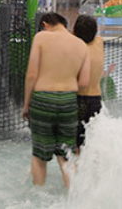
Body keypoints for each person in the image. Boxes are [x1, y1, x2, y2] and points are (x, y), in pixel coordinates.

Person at [22, 11, 90, 188]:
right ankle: (75, 198)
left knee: (39, 157)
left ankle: (37, 200)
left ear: (45, 24)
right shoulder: (81, 45)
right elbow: (84, 81)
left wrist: (26, 104)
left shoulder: (41, 38)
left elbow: (31, 74)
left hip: (43, 98)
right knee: (66, 156)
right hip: (68, 101)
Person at [72, 14, 112, 150]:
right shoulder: (99, 42)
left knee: (77, 143)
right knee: (91, 143)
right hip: (96, 100)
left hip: (79, 99)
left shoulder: (76, 47)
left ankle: (76, 169)